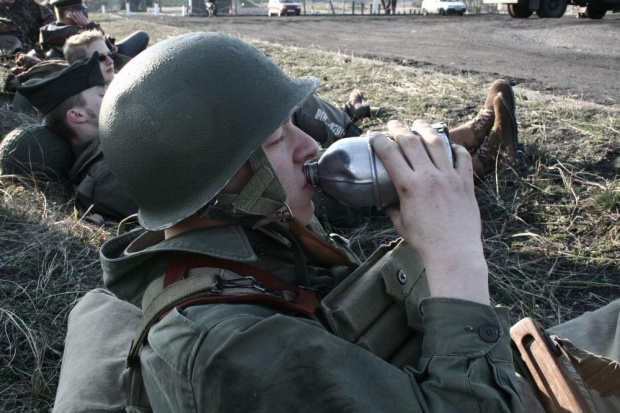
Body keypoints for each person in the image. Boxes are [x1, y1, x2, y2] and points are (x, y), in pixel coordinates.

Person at [93, 32, 619, 412]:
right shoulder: (236, 353)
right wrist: (456, 255)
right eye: (277, 140)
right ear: (216, 182)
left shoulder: (243, 244)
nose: (309, 146)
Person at [17, 52, 137, 218]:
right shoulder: (106, 177)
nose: (112, 97)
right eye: (102, 95)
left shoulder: (115, 139)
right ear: (78, 115)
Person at [39, 0, 148, 66]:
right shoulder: (75, 33)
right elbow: (107, 49)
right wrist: (89, 25)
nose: (83, 14)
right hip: (109, 60)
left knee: (141, 36)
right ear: (69, 14)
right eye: (80, 11)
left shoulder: (52, 30)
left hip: (110, 52)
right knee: (141, 42)